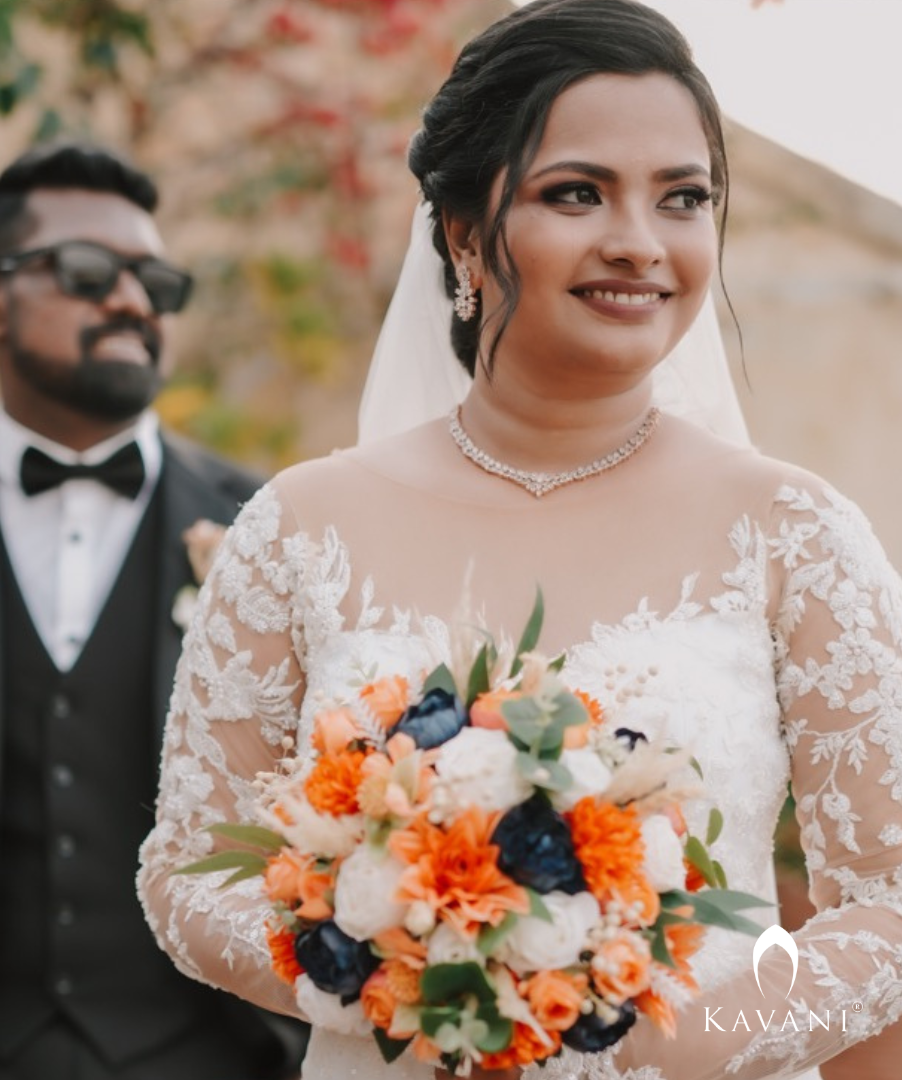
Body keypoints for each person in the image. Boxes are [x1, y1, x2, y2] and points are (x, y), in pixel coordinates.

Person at [137, 1, 902, 1078]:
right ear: (461, 232)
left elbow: (890, 909)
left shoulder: (794, 534)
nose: (640, 240)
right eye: (576, 193)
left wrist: (674, 1040)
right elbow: (187, 873)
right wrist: (405, 975)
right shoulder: (302, 528)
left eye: (683, 197)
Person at [0, 142, 306, 1080]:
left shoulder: (277, 530)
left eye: (155, 282)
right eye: (88, 273)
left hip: (219, 1054)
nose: (131, 302)